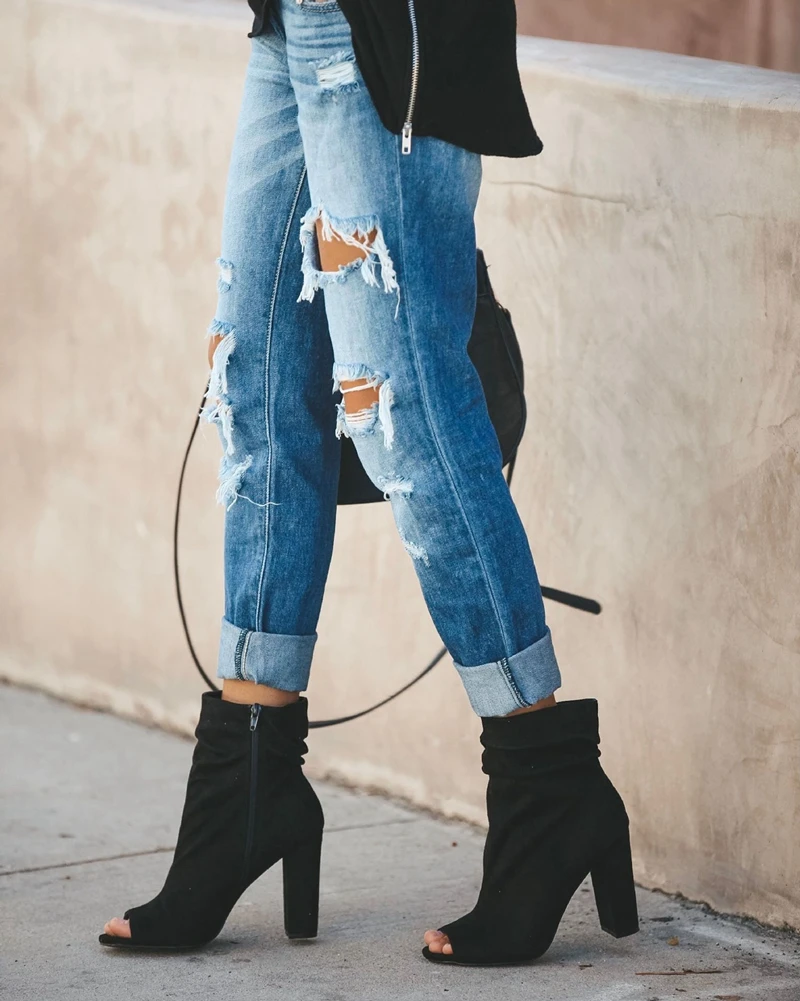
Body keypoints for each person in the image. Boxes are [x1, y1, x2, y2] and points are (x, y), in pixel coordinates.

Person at [100, 0, 638, 965]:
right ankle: (250, 784)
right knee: (256, 389)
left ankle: (549, 784)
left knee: (401, 404)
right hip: (291, 19)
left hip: (390, 25)